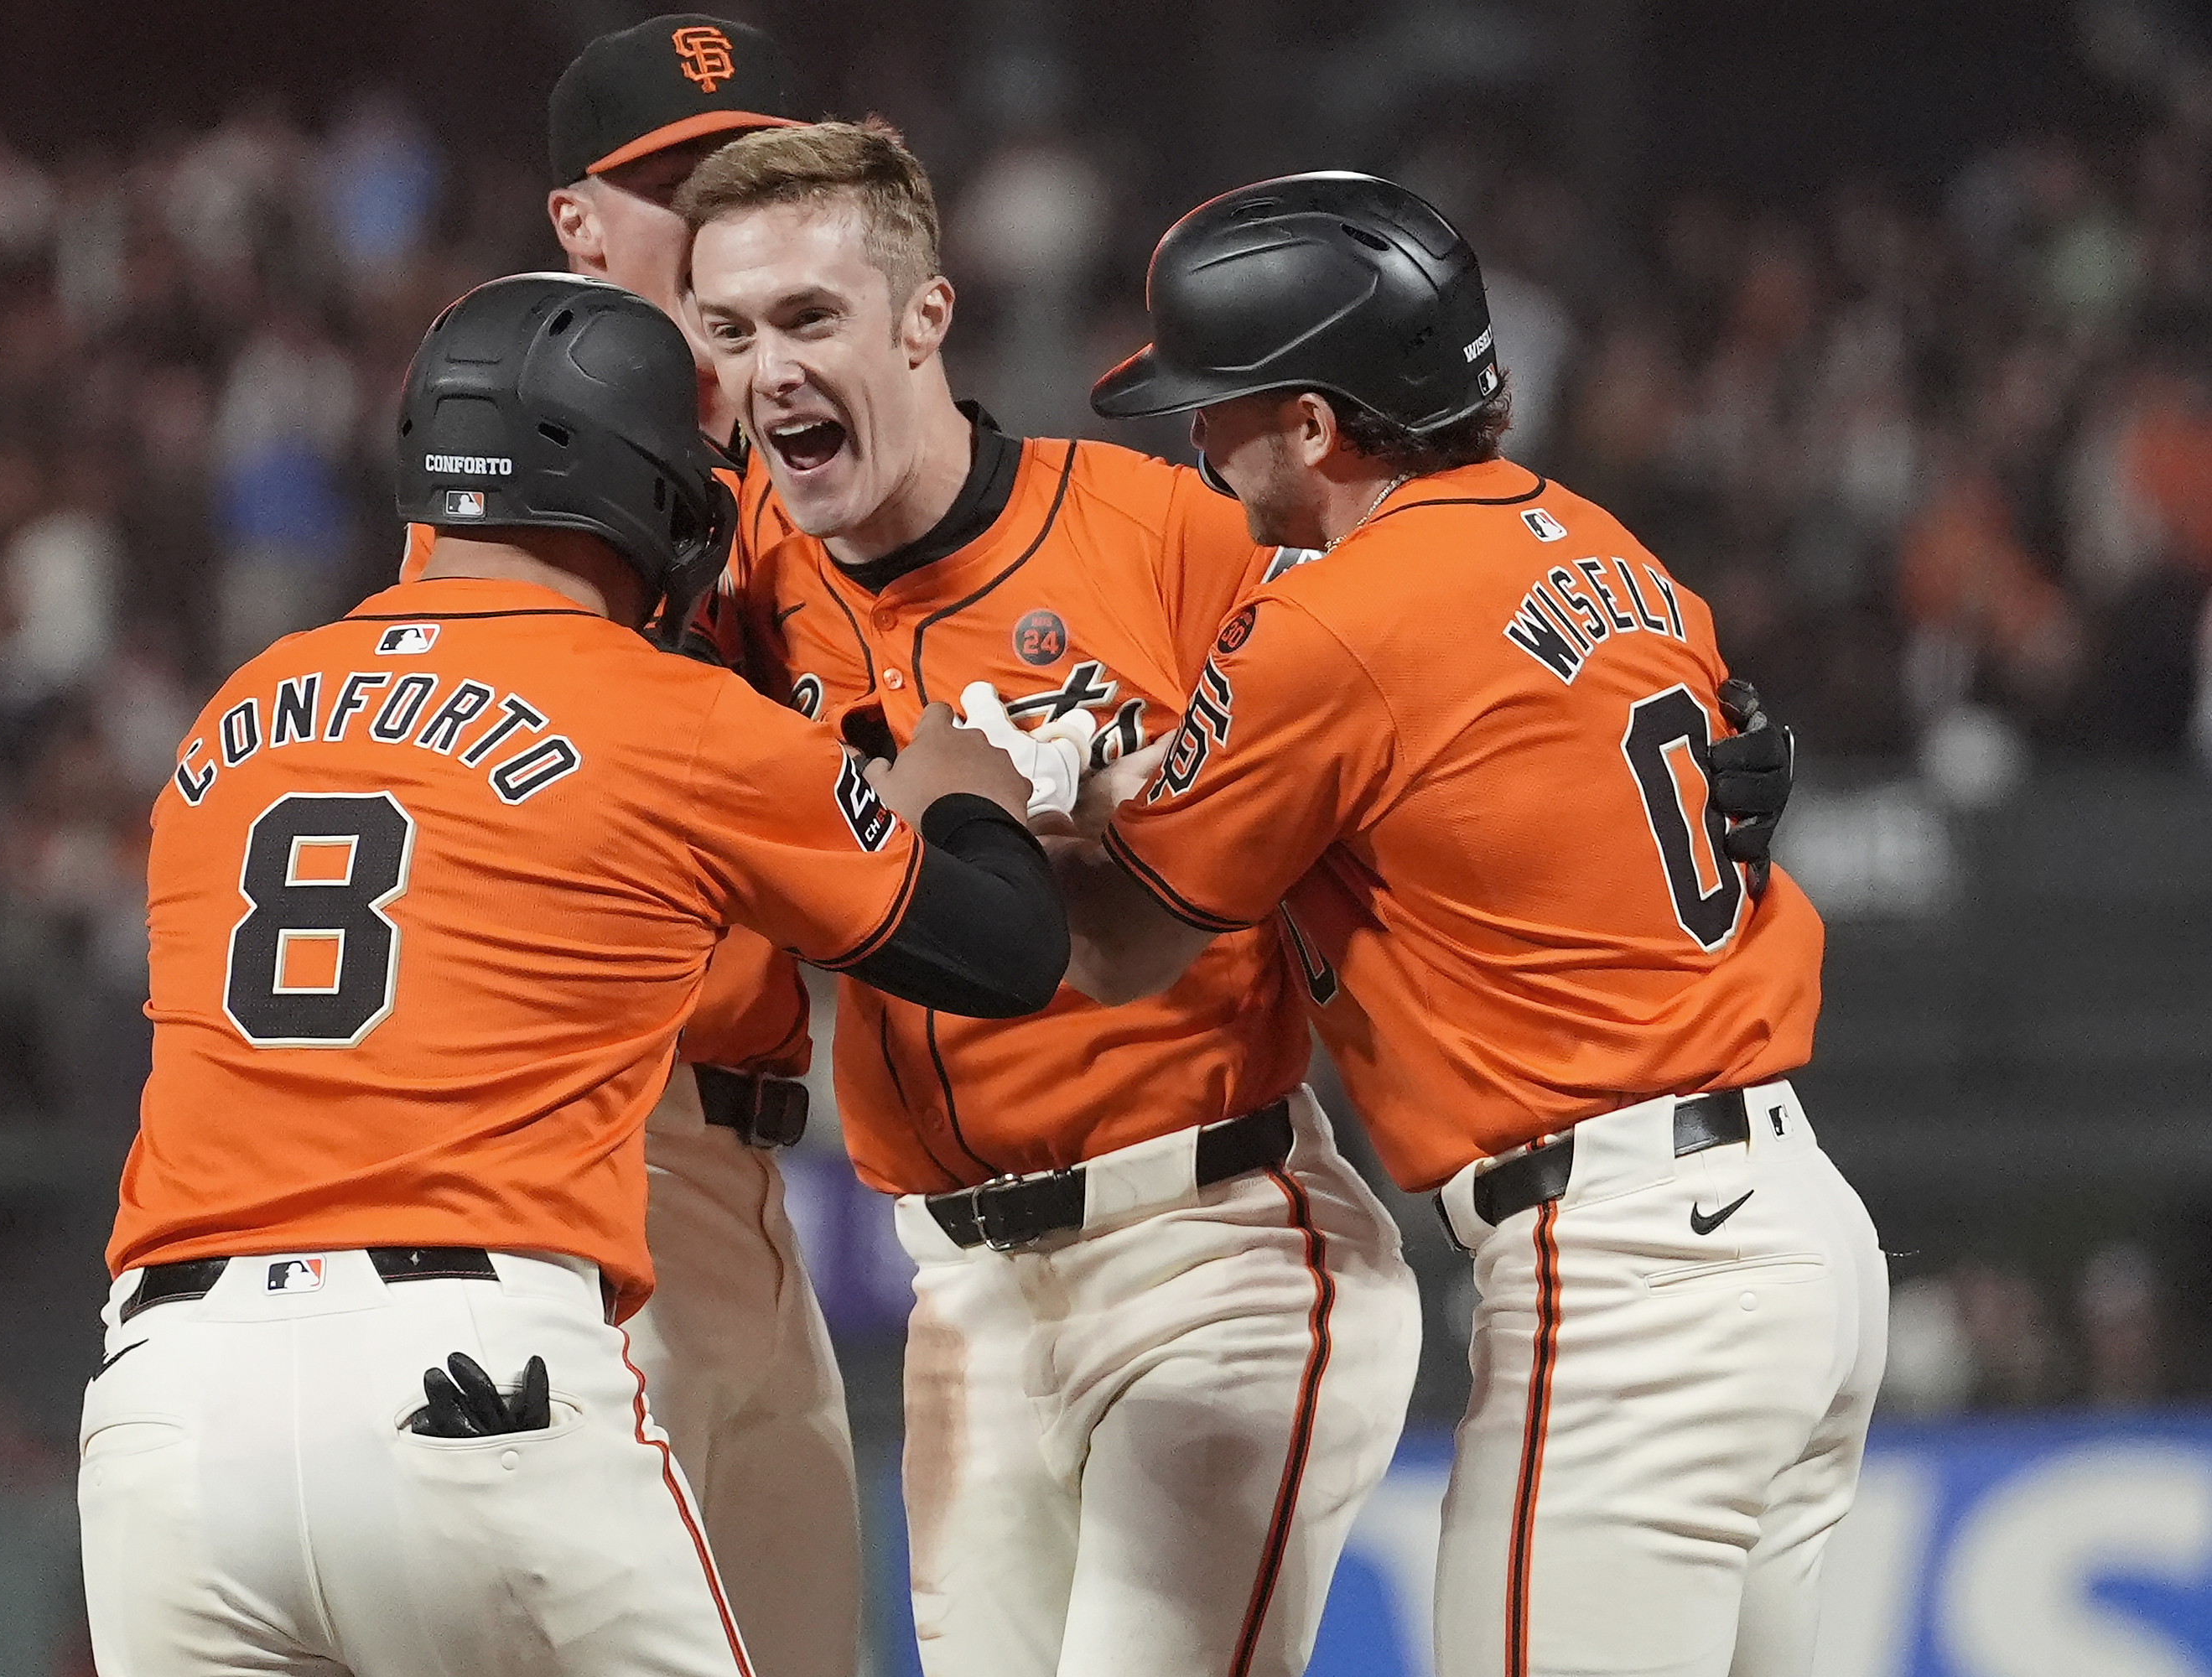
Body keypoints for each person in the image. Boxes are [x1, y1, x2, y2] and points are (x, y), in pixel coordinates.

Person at [678, 123, 1797, 1677]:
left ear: (924, 318)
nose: (767, 369)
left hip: (1210, 1239)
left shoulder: (1174, 532)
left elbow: (1467, 630)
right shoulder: (722, 588)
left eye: (810, 318)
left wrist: (1722, 741)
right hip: (961, 1294)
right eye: (726, 332)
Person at [78, 272, 1072, 1677]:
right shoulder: (671, 715)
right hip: (469, 1377)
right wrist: (961, 793)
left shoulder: (237, 709)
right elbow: (1005, 951)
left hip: (162, 1411)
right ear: (651, 490)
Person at [1062, 172, 1885, 1677]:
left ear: (1313, 424)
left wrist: (1008, 801)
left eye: (1220, 401)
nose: (1194, 436)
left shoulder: (1331, 622)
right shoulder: (1602, 542)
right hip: (1802, 1235)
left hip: (1635, 1269)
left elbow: (1128, 941)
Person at [404, 24, 871, 1675]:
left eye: (761, 176)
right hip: (569, 1164)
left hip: (749, 1174)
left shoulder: (843, 469)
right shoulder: (526, 452)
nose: (730, 212)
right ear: (577, 227)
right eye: (679, 185)